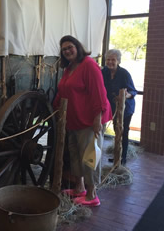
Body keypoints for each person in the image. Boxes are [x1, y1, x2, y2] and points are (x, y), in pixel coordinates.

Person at [53, 35, 112, 207]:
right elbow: (63, 90)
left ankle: (92, 195)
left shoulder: (89, 65)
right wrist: (53, 107)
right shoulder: (70, 67)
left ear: (77, 47)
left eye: (70, 47)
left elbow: (99, 93)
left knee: (89, 158)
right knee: (76, 156)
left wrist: (97, 118)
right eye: (64, 49)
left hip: (88, 121)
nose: (68, 51)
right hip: (73, 120)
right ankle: (79, 188)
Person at [102, 49, 137, 165]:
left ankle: (123, 158)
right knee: (117, 131)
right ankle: (117, 155)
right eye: (108, 59)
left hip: (126, 108)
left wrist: (127, 95)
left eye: (113, 60)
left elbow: (133, 91)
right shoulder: (104, 72)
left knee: (123, 131)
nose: (110, 62)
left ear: (118, 61)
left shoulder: (124, 73)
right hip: (112, 107)